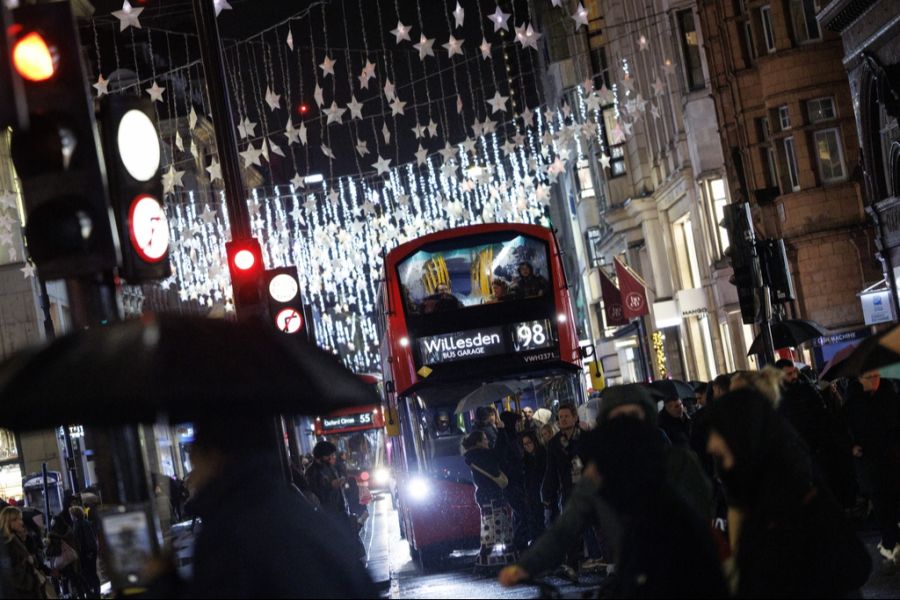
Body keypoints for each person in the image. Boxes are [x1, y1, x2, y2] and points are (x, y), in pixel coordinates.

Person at [149, 417, 376, 598]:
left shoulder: (230, 531)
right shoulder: (299, 512)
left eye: (196, 459)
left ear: (214, 458)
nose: (194, 472)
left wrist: (162, 583)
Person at [501, 418, 728, 598]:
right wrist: (526, 566)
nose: (587, 473)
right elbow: (565, 529)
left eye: (590, 465)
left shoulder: (655, 498)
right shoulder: (604, 490)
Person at [707, 388, 871, 596]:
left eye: (718, 432)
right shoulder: (751, 498)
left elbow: (854, 566)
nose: (711, 444)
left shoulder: (799, 499)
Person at [845, 370, 900, 562]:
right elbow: (843, 427)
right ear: (859, 379)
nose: (874, 381)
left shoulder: (889, 394)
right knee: (881, 501)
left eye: (876, 376)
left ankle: (892, 539)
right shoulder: (853, 401)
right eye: (870, 377)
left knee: (892, 498)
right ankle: (889, 542)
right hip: (870, 460)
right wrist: (851, 446)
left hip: (891, 457)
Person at [542, 403, 584, 579]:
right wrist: (548, 495)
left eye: (567, 416)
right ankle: (573, 565)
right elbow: (551, 471)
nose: (563, 419)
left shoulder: (585, 437)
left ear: (575, 417)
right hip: (569, 490)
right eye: (560, 417)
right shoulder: (554, 444)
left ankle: (611, 562)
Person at [462, 430, 514, 566]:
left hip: (484, 496)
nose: (487, 441)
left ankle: (485, 559)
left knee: (490, 527)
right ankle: (490, 559)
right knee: (495, 527)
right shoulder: (481, 455)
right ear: (478, 443)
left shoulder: (473, 456)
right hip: (492, 495)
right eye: (485, 439)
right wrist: (502, 431)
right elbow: (499, 455)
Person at [497, 411, 529, 551]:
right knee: (523, 512)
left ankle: (519, 544)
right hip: (513, 482)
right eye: (515, 423)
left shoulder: (508, 437)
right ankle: (518, 544)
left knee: (519, 513)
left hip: (515, 481)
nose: (517, 426)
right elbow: (508, 460)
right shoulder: (505, 438)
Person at [1, 506, 47, 599]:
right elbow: (8, 572)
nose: (21, 523)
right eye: (18, 519)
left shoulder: (13, 538)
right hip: (20, 592)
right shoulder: (5, 542)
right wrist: (29, 581)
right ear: (10, 521)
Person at [305, 441, 348, 517]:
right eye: (330, 455)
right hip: (327, 514)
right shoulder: (312, 471)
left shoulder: (329, 466)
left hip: (340, 509)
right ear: (321, 455)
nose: (332, 457)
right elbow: (314, 494)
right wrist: (331, 485)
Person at [521, 431, 547, 544]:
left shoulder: (542, 454)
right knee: (534, 519)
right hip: (532, 493)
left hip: (542, 490)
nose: (527, 446)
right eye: (524, 444)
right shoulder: (526, 458)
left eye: (529, 443)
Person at [70, 505, 100, 598]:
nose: (70, 516)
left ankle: (94, 594)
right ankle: (96, 593)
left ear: (74, 515)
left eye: (71, 514)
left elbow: (83, 540)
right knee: (92, 573)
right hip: (90, 552)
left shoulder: (79, 524)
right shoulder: (85, 522)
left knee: (89, 573)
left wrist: (87, 552)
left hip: (87, 553)